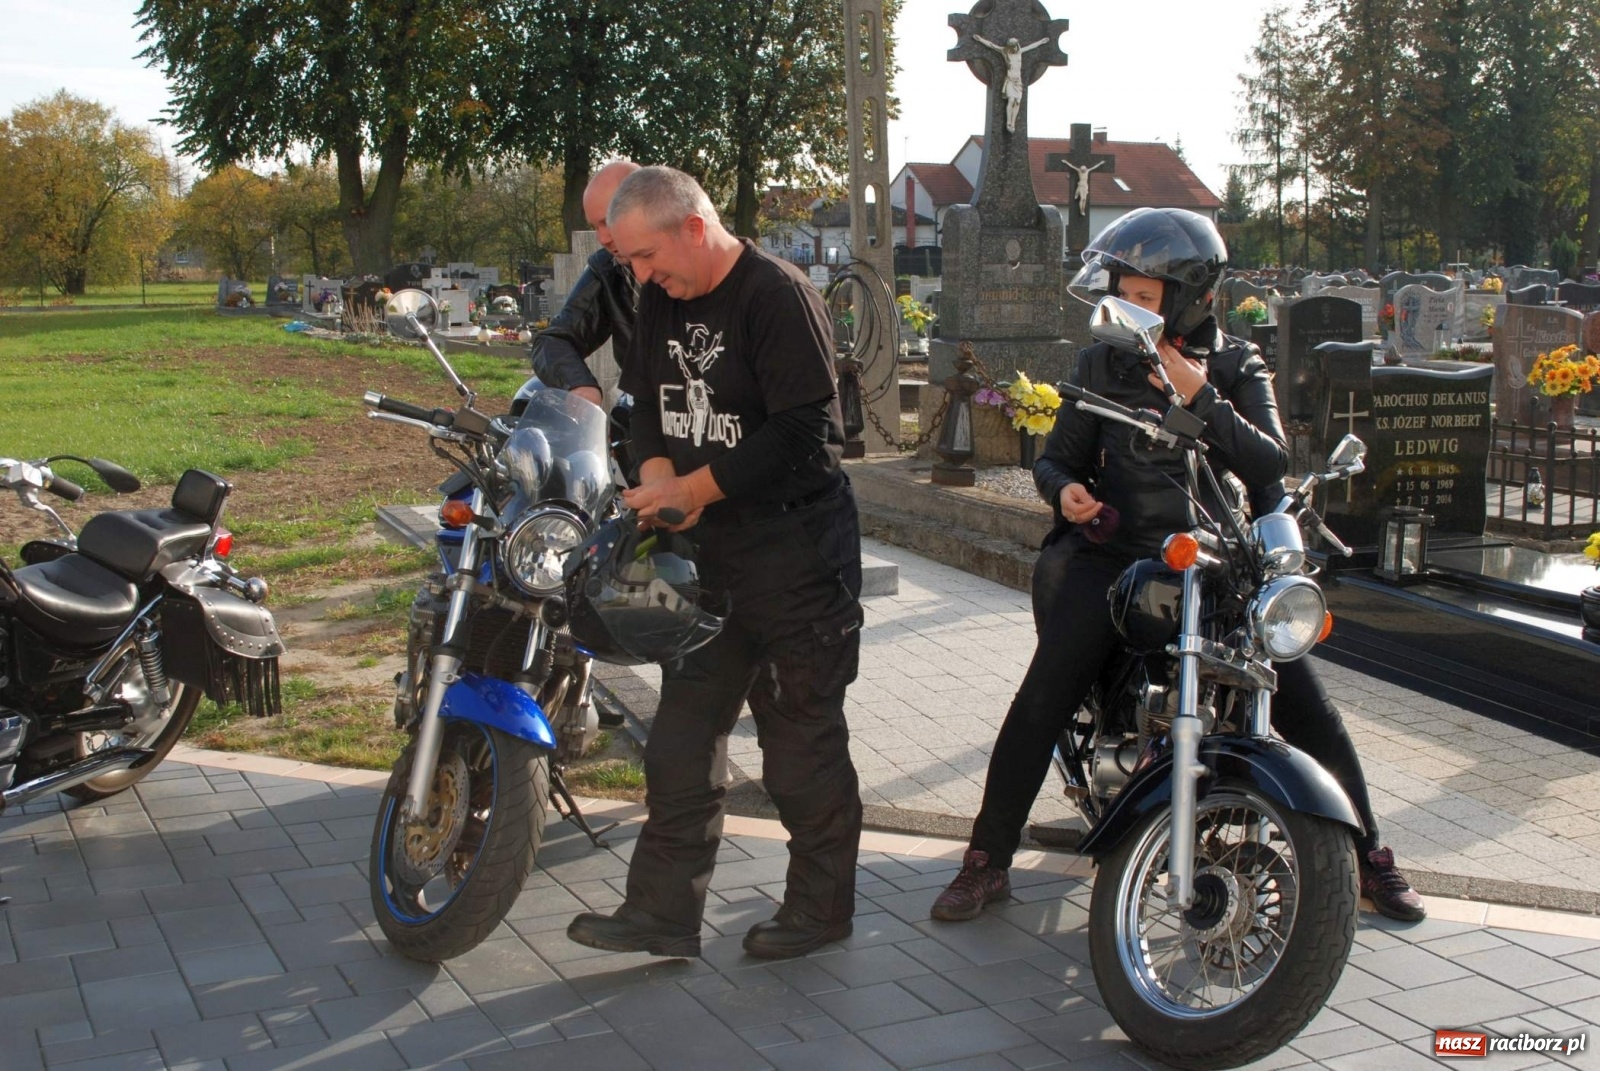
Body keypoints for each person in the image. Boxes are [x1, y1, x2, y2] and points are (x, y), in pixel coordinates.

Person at [932, 207, 1426, 925]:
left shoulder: (1235, 365)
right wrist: (1063, 491)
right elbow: (1057, 458)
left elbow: (1267, 464)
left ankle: (1372, 855)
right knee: (1044, 692)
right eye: (1123, 292)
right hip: (1118, 556)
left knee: (1310, 705)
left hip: (1218, 563)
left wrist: (1193, 388)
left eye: (1144, 296)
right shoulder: (1100, 362)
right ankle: (986, 858)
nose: (1127, 307)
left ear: (1188, 298)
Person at [566, 166, 866, 960]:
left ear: (693, 227)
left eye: (644, 255)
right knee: (681, 743)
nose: (637, 275)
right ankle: (662, 912)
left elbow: (807, 433)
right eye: (627, 261)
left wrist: (696, 486)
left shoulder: (777, 295)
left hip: (800, 559)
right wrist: (658, 474)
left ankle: (820, 909)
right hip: (710, 562)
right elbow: (644, 407)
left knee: (799, 746)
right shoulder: (664, 293)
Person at [528, 159, 641, 407]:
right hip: (645, 415)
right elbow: (555, 339)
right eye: (595, 226)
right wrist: (580, 386)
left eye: (608, 221)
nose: (602, 238)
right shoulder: (609, 269)